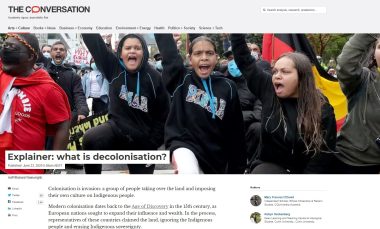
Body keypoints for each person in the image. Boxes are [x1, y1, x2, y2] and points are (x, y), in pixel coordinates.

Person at [230, 34, 337, 174]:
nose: (277, 75)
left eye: (285, 72)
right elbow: (245, 62)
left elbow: (322, 156)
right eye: (275, 71)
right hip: (268, 167)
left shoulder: (322, 108)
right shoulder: (269, 89)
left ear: (302, 77)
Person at [155, 34, 246, 174]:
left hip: (215, 160)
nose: (204, 57)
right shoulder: (180, 78)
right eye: (198, 53)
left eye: (209, 53)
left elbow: (236, 132)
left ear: (216, 58)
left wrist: (237, 171)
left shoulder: (228, 86)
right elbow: (168, 50)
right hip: (184, 146)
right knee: (189, 172)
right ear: (190, 59)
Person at [81, 33, 170, 174]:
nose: (132, 51)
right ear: (121, 53)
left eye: (137, 48)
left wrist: (152, 144)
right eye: (128, 48)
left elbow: (164, 115)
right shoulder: (113, 67)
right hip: (116, 129)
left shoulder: (155, 78)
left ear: (144, 53)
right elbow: (94, 42)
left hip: (143, 139)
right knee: (90, 139)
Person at [0, 33, 71, 174]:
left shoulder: (48, 89)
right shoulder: (2, 75)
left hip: (24, 171)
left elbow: (63, 125)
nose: (5, 51)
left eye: (12, 48)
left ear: (31, 56)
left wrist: (54, 164)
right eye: (4, 46)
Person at [333, 34, 380, 173]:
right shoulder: (363, 79)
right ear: (373, 54)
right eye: (379, 46)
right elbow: (345, 64)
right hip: (349, 162)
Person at [46, 41, 89, 127]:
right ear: (51, 53)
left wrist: (82, 111)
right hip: (47, 117)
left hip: (66, 118)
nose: (58, 51)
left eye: (61, 49)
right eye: (55, 49)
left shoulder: (73, 75)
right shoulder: (43, 73)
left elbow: (79, 95)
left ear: (65, 54)